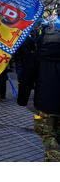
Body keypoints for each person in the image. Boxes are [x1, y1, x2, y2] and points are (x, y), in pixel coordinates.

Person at [33, 24, 60, 161]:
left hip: (44, 105)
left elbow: (27, 77)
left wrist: (22, 99)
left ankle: (54, 158)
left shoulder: (39, 56)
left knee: (46, 132)